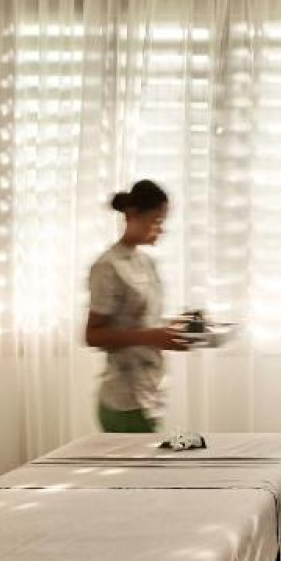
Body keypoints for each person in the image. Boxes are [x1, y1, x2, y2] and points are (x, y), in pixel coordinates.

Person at [84, 180, 188, 432]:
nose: (161, 229)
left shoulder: (147, 264)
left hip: (150, 393)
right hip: (124, 399)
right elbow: (93, 334)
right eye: (156, 221)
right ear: (132, 215)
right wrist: (151, 336)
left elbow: (144, 322)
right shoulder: (107, 267)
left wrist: (174, 328)